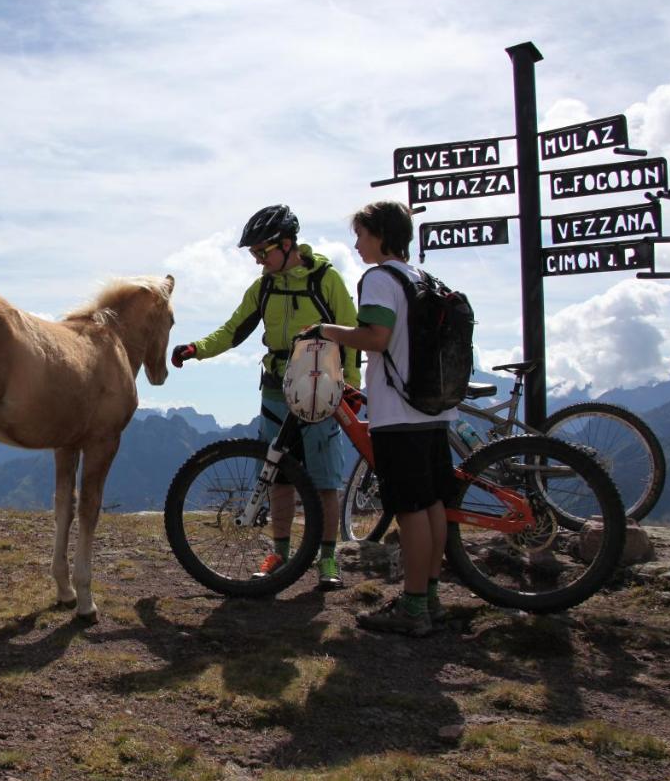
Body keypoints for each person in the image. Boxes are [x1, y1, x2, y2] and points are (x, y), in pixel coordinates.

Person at [171, 204, 359, 589]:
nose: (258, 261)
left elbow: (352, 336)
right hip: (276, 388)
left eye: (263, 252)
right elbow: (233, 329)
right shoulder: (265, 286)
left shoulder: (326, 280)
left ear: (288, 244)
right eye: (254, 254)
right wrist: (197, 348)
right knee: (279, 478)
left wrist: (351, 388)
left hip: (321, 390)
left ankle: (328, 560)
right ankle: (281, 554)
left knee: (324, 481)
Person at [313, 200, 456, 637]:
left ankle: (412, 609)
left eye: (360, 234)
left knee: (409, 510)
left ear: (379, 234)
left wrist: (325, 331)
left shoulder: (379, 278)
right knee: (432, 505)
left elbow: (376, 337)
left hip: (398, 411)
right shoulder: (422, 277)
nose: (356, 244)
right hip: (434, 407)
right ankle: (429, 597)